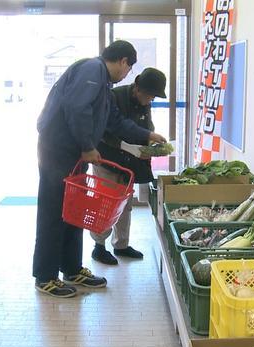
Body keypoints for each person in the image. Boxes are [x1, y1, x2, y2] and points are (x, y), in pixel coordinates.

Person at [34, 40, 167, 298]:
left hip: (73, 154)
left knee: (73, 211)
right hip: (58, 151)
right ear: (123, 61)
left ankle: (71, 269)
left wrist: (148, 135)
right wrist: (86, 145)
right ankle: (45, 276)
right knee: (53, 211)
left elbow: (114, 122)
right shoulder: (93, 70)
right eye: (128, 69)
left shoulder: (104, 85)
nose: (126, 75)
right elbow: (76, 107)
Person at [90, 67, 167, 265]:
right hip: (106, 159)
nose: (151, 101)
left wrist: (150, 143)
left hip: (129, 162)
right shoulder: (114, 97)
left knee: (125, 205)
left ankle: (121, 245)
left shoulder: (144, 103)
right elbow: (104, 132)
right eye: (150, 96)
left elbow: (145, 127)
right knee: (105, 205)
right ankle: (99, 247)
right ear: (138, 89)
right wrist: (127, 146)